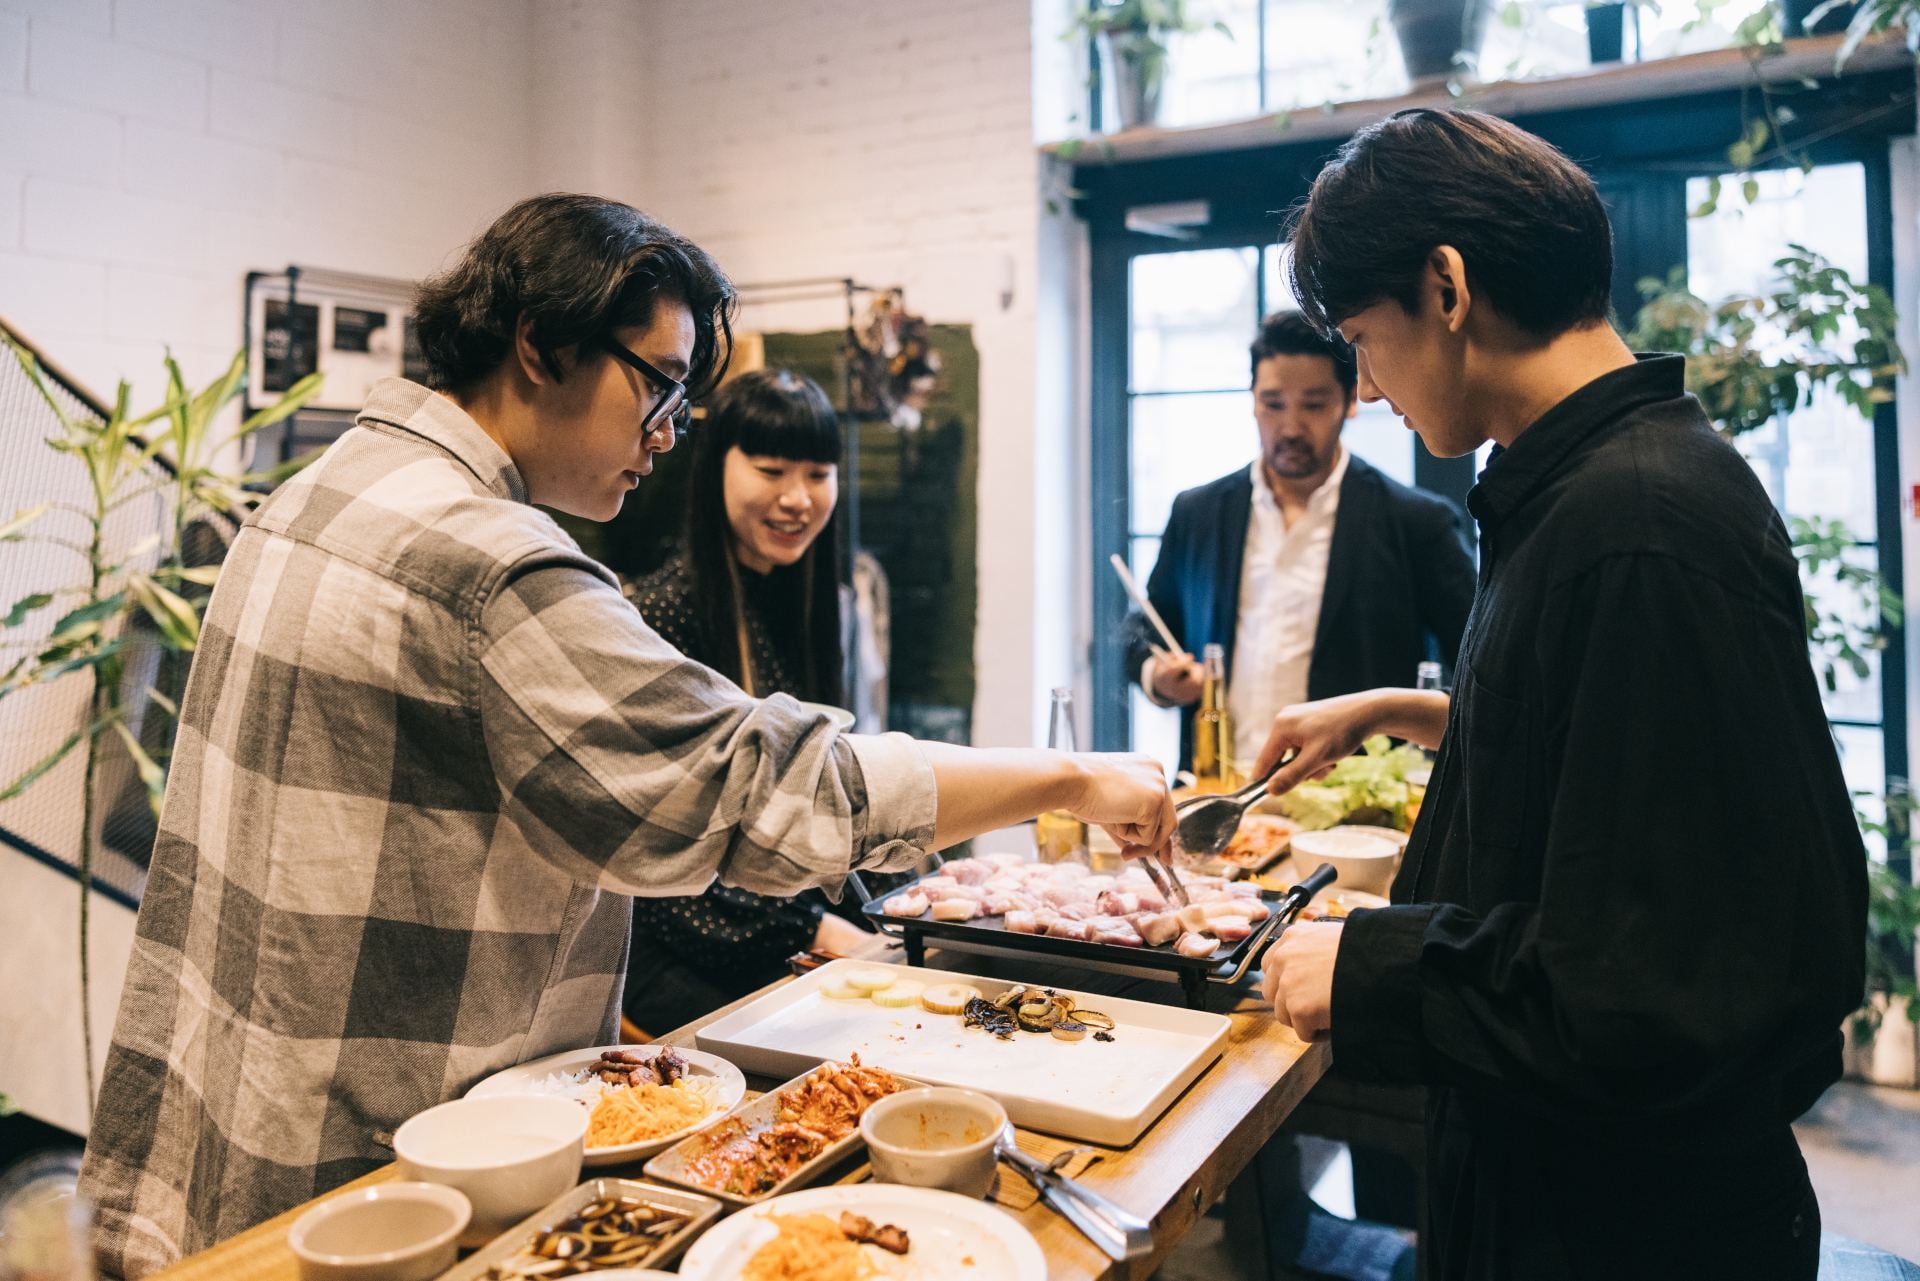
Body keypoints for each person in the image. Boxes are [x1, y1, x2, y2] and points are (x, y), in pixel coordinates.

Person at [78, 194, 1174, 1278]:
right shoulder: (491, 564)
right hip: (386, 1171)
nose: (668, 432)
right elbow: (757, 788)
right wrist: (1074, 778)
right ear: (542, 347)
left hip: (221, 1142)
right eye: (659, 385)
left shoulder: (313, 495)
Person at [1255, 110, 1865, 1281]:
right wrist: (1404, 710)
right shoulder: (1585, 488)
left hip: (1626, 1230)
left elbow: (1662, 987)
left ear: (1445, 287)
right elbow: (1605, 752)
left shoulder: (1638, 523)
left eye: (1363, 342)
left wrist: (1368, 966)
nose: (1367, 391)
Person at [621, 367, 874, 1032]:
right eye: (770, 469)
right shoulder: (660, 614)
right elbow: (661, 856)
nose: (798, 498)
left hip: (778, 927)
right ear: (714, 468)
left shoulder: (817, 605)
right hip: (682, 946)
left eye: (819, 474)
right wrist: (819, 928)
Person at [1125, 311, 1474, 776]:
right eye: (1273, 403)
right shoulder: (1198, 511)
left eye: (1312, 404)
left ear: (1350, 400)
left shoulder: (1417, 521)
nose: (1290, 427)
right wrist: (1160, 677)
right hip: (1219, 789)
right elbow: (1144, 628)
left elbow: (1478, 671)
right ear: (1251, 401)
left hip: (1354, 808)